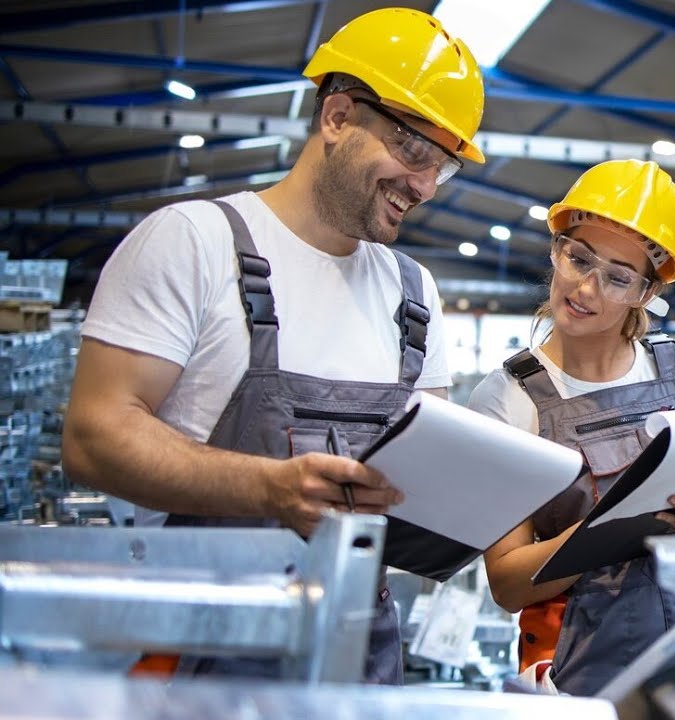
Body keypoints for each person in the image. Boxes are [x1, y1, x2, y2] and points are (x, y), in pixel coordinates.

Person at [61, 8, 485, 684]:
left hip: (355, 656)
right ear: (339, 116)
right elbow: (93, 436)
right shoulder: (194, 243)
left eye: (444, 167)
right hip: (200, 652)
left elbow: (421, 473)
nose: (427, 186)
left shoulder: (414, 291)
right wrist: (267, 487)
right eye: (414, 152)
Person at [468, 159, 675, 696]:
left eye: (618, 277)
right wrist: (610, 532)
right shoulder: (507, 399)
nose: (586, 288)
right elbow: (507, 584)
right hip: (574, 675)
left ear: (645, 293)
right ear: (557, 249)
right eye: (578, 258)